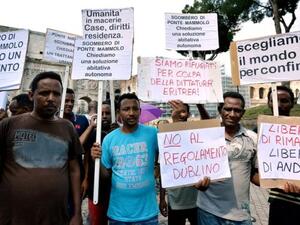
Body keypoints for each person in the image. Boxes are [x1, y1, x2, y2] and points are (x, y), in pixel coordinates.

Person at [0, 71, 82, 225]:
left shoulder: (68, 128)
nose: (51, 98)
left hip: (55, 217)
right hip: (12, 216)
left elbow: (74, 170)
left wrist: (77, 212)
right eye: (44, 93)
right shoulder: (9, 125)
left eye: (56, 94)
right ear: (31, 95)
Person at [91, 93, 160, 224]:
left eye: (135, 109)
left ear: (140, 111)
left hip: (148, 214)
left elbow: (167, 159)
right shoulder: (109, 139)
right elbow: (105, 175)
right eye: (126, 109)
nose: (131, 113)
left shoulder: (153, 134)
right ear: (118, 113)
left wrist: (158, 170)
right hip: (119, 215)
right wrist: (96, 160)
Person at [197, 91, 259, 225]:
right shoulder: (204, 137)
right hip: (209, 211)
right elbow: (193, 168)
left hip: (241, 214)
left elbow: (254, 173)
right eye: (227, 109)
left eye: (237, 110)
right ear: (220, 110)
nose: (232, 114)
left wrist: (279, 183)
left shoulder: (252, 138)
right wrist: (196, 183)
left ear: (243, 113)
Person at [159, 100, 198, 225]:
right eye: (176, 111)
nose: (180, 114)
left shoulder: (197, 135)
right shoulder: (167, 137)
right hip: (175, 200)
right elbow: (163, 171)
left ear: (188, 113)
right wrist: (162, 198)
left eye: (183, 111)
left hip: (198, 200)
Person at [267, 85, 300, 225]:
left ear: (293, 103)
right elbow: (254, 170)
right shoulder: (261, 130)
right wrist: (271, 181)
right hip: (278, 201)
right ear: (268, 103)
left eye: (284, 101)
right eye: (274, 100)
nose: (279, 105)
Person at [82, 101, 114, 225]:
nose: (105, 116)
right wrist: (85, 179)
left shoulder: (118, 133)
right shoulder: (92, 133)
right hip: (95, 185)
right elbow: (86, 158)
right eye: (102, 113)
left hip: (113, 186)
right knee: (96, 218)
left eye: (107, 113)